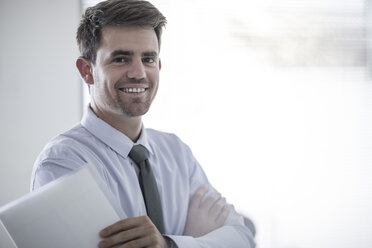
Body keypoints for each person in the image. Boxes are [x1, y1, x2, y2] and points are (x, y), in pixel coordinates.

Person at [30, 0, 255, 247]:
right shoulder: (64, 162)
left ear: (158, 65)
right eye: (121, 59)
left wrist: (172, 244)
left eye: (148, 59)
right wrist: (196, 238)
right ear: (86, 70)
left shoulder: (176, 152)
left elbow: (242, 238)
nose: (138, 72)